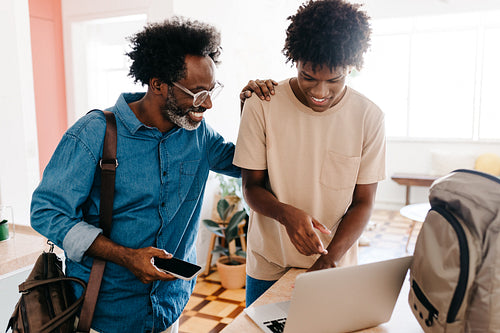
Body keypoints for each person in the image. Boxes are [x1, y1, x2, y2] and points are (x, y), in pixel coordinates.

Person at [30, 17, 240, 333]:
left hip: (169, 308)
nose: (207, 104)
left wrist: (254, 112)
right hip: (105, 313)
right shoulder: (93, 134)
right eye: (197, 93)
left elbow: (247, 165)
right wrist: (126, 257)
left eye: (212, 91)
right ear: (158, 85)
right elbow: (46, 213)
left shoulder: (200, 136)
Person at [234, 0, 386, 306]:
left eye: (334, 80)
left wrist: (329, 262)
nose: (320, 92)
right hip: (269, 265)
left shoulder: (369, 116)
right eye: (308, 77)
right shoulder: (261, 105)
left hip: (333, 265)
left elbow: (363, 202)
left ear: (351, 68)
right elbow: (251, 187)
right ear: (296, 61)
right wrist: (286, 215)